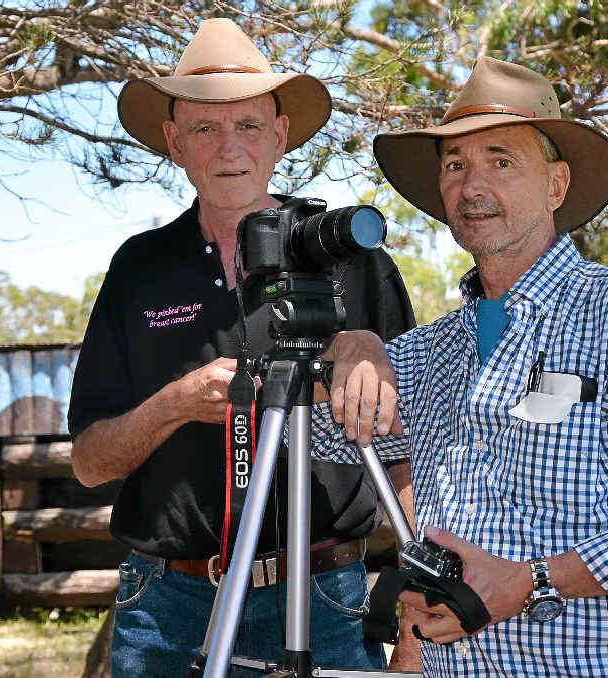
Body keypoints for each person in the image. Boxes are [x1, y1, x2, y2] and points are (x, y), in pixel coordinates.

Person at [312, 56, 608, 677]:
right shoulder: (434, 348)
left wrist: (532, 581)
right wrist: (347, 346)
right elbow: (315, 430)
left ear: (556, 185)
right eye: (455, 165)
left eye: (501, 161)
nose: (473, 186)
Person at [67, 18, 420, 677]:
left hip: (325, 597)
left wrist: (418, 618)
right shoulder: (138, 268)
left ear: (280, 136)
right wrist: (172, 406)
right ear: (175, 142)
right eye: (205, 127)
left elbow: (411, 451)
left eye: (249, 125)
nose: (229, 147)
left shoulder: (349, 256)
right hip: (168, 606)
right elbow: (88, 463)